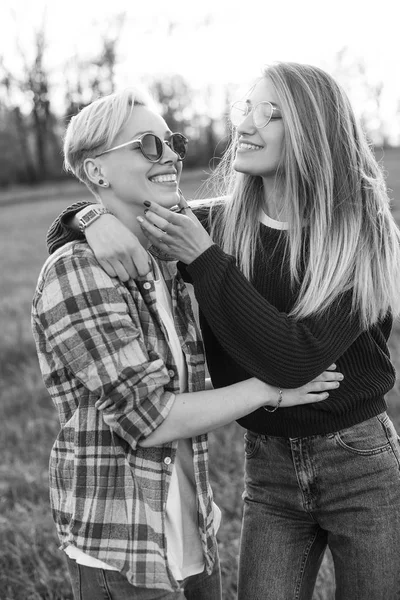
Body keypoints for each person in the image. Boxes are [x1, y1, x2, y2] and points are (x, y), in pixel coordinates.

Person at [44, 61, 400, 599]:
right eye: (246, 109)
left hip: (359, 462)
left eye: (272, 114)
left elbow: (295, 361)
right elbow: (111, 210)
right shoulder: (220, 224)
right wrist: (87, 220)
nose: (246, 126)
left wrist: (206, 260)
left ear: (313, 134)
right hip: (270, 464)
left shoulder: (360, 234)